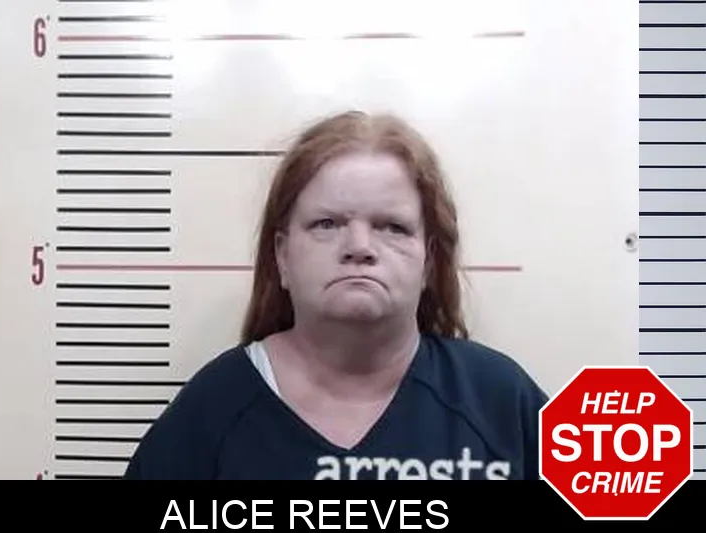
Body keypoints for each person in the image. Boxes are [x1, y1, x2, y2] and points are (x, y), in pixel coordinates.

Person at [123, 110, 548, 480]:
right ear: (282, 255)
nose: (359, 247)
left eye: (392, 227)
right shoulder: (212, 410)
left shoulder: (502, 400)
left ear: (428, 261)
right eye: (326, 224)